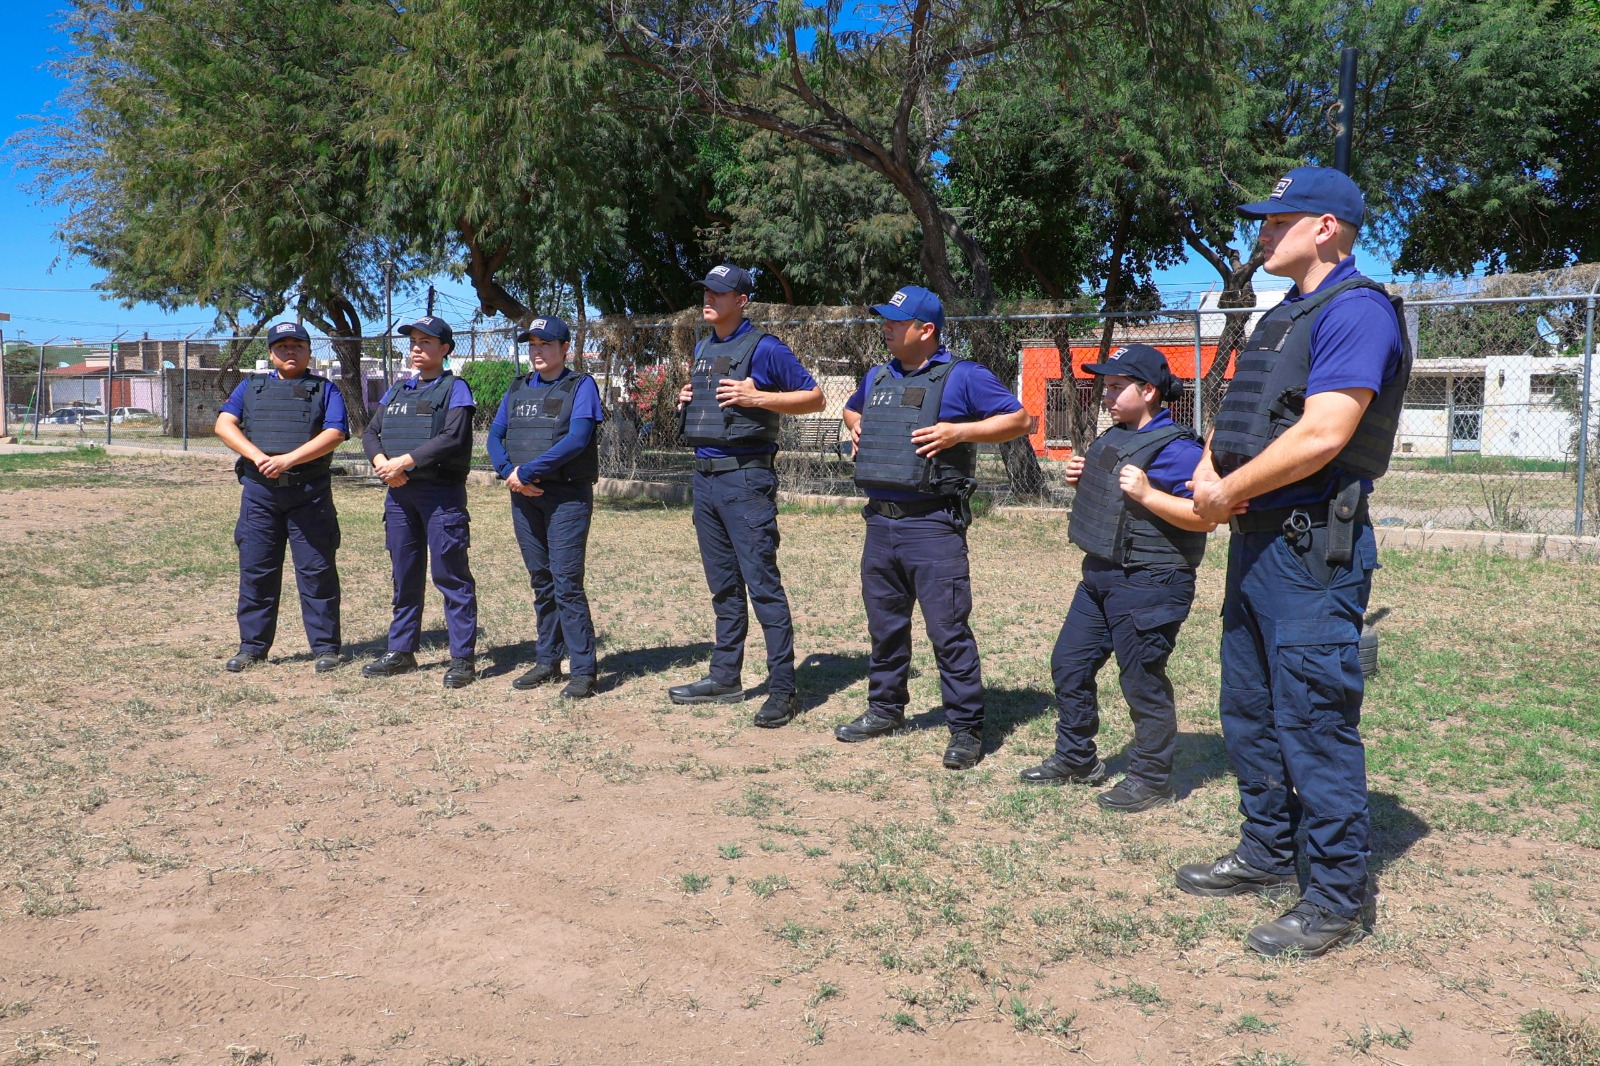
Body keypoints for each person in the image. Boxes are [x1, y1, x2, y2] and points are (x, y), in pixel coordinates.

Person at [1181, 166, 1412, 958]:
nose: (1262, 233)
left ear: (1325, 228)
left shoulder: (1358, 312)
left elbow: (1323, 435)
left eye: (1278, 221)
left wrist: (1223, 494)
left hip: (1313, 550)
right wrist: (1213, 475)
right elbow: (1240, 414)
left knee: (1313, 720)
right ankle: (1267, 850)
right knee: (1247, 710)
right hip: (1255, 542)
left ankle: (1335, 897)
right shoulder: (1281, 318)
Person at [835, 285, 1032, 770]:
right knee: (885, 627)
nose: (885, 327)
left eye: (895, 321)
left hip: (933, 526)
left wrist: (958, 431)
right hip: (880, 523)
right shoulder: (878, 375)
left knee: (948, 630)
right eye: (884, 319)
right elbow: (852, 407)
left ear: (927, 330)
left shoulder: (963, 377)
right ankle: (885, 709)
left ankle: (965, 729)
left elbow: (1021, 419)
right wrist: (854, 421)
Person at [1017, 344, 1215, 810]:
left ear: (1148, 391)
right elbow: (1110, 492)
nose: (1105, 395)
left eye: (1115, 386)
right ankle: (1077, 757)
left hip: (1152, 581)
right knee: (1069, 663)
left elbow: (1206, 516)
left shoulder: (1179, 450)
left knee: (1142, 680)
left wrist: (1147, 494)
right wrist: (1081, 476)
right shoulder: (1115, 436)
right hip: (1101, 576)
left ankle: (1152, 779)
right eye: (1104, 386)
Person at [668, 265, 825, 728]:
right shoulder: (703, 347)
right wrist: (688, 397)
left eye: (720, 292)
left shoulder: (766, 348)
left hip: (745, 479)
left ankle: (782, 690)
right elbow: (712, 399)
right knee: (723, 585)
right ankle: (725, 677)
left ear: (742, 300)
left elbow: (814, 398)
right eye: (706, 290)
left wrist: (758, 398)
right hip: (705, 478)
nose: (709, 298)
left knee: (762, 586)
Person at [213, 321, 349, 673]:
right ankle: (252, 647)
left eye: (298, 345)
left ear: (308, 351)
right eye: (283, 346)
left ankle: (326, 649)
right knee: (256, 571)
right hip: (260, 494)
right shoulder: (250, 386)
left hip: (308, 493)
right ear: (271, 353)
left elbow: (335, 432)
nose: (291, 351)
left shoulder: (325, 389)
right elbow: (224, 424)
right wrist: (258, 457)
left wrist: (290, 459)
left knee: (316, 571)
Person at [486, 314, 605, 699]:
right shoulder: (518, 387)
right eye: (532, 345)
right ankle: (547, 659)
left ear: (564, 349)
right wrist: (510, 473)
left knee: (566, 583)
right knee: (541, 579)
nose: (537, 352)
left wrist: (529, 472)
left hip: (565, 496)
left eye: (546, 345)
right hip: (523, 495)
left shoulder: (580, 386)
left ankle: (584, 671)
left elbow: (577, 439)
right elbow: (495, 434)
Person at [361, 315, 481, 689]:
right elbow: (370, 432)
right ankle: (401, 651)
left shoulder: (455, 388)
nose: (416, 347)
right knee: (405, 575)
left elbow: (453, 438)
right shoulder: (397, 390)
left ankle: (462, 659)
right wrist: (383, 464)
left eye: (426, 342)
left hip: (440, 494)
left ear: (444, 349)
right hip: (398, 494)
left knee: (450, 576)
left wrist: (405, 461)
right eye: (413, 341)